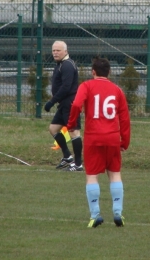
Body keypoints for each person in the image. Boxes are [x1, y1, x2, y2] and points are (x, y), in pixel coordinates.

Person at [67, 57, 130, 228]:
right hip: (112, 137)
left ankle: (95, 215)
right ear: (109, 72)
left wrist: (71, 123)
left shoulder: (86, 86)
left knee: (91, 175)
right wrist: (125, 140)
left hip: (93, 137)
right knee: (115, 173)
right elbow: (124, 118)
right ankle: (117, 212)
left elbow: (76, 105)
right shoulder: (117, 90)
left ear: (92, 72)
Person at [44, 40, 83, 171]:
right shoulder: (60, 64)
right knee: (53, 129)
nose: (55, 53)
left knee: (74, 132)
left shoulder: (67, 65)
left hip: (70, 104)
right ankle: (67, 157)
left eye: (58, 50)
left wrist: (51, 101)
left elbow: (66, 87)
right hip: (63, 104)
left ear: (65, 51)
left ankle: (78, 164)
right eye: (53, 50)